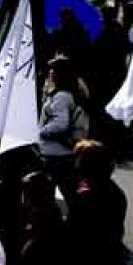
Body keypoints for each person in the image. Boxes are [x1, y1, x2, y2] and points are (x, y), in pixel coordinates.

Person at [67, 140, 126, 265]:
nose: (75, 165)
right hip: (111, 259)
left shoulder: (88, 196)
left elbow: (76, 233)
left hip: (93, 262)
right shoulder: (114, 191)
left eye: (79, 160)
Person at [39, 55, 88, 197]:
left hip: (54, 155)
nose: (51, 72)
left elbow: (60, 124)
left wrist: (40, 132)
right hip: (64, 153)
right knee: (70, 194)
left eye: (55, 69)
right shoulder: (69, 93)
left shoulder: (61, 96)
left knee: (45, 197)